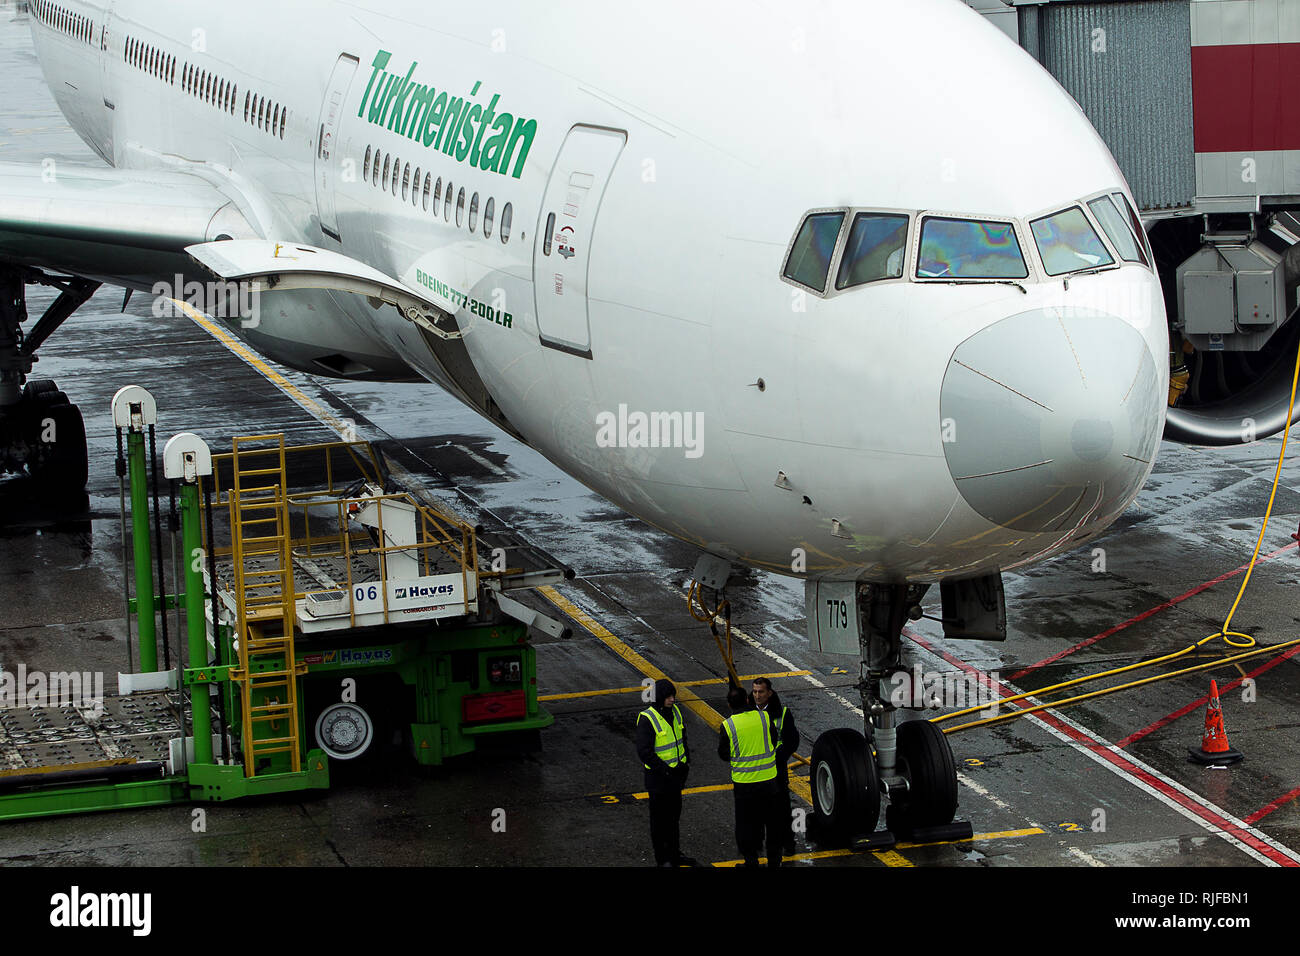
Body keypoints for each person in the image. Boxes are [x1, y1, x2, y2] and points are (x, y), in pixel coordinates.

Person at [718, 685, 784, 867]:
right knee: (772, 824)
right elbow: (773, 738)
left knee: (747, 825)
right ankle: (775, 861)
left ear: (729, 705)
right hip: (769, 781)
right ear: (748, 700)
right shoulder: (763, 717)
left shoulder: (728, 725)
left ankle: (751, 861)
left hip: (745, 784)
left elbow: (723, 754)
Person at [635, 678, 693, 867]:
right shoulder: (647, 718)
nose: (672, 700)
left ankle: (674, 854)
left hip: (675, 777)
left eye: (673, 696)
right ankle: (663, 859)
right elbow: (644, 752)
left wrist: (686, 764)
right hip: (659, 780)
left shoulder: (675, 712)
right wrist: (664, 770)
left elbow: (682, 737)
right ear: (660, 697)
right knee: (659, 822)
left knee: (673, 819)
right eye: (668, 697)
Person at [751, 676, 799, 856]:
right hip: (756, 771)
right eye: (755, 692)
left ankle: (788, 843)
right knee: (756, 813)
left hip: (776, 771)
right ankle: (757, 846)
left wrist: (780, 757)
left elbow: (792, 740)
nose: (757, 696)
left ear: (769, 693)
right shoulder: (748, 712)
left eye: (761, 692)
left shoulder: (783, 713)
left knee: (782, 811)